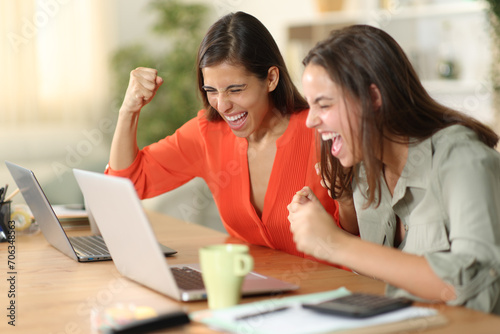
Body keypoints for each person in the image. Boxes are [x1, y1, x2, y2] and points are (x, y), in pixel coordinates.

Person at [106, 11, 358, 262]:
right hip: (250, 290)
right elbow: (126, 183)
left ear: (271, 79)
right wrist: (128, 110)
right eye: (211, 90)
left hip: (328, 292)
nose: (222, 105)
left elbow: (360, 237)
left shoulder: (321, 130)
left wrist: (345, 200)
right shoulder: (208, 133)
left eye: (235, 89)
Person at [288, 24, 500, 313]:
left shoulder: (461, 159)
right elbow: (379, 278)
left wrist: (335, 243)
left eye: (324, 105)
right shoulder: (364, 170)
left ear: (374, 98)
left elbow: (478, 289)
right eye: (311, 106)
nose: (310, 121)